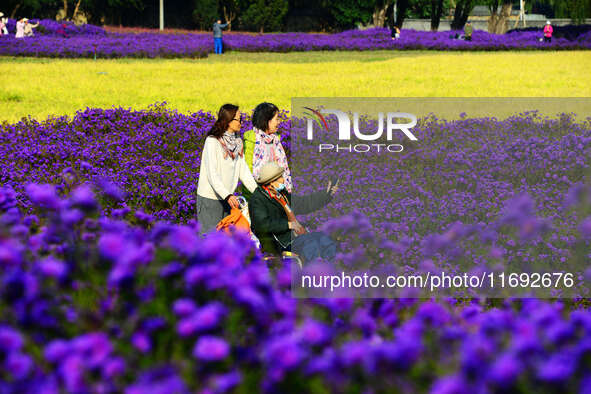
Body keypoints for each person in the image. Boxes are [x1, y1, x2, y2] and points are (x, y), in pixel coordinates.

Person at [249, 162, 338, 258]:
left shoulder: (281, 194)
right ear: (270, 183)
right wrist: (289, 225)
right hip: (281, 243)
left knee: (325, 239)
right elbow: (262, 225)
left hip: (296, 236)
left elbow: (303, 203)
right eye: (280, 178)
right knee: (311, 246)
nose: (283, 180)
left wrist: (326, 195)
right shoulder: (257, 200)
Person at [196, 104, 258, 234]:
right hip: (211, 199)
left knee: (225, 242)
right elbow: (212, 173)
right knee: (209, 240)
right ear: (228, 120)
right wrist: (227, 194)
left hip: (227, 200)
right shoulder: (212, 141)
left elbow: (243, 171)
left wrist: (258, 193)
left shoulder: (237, 142)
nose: (241, 122)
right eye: (238, 119)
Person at [243, 102, 293, 200]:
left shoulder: (275, 140)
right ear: (267, 121)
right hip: (257, 197)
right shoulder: (252, 141)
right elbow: (248, 171)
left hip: (277, 194)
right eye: (276, 119)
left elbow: (282, 168)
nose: (279, 122)